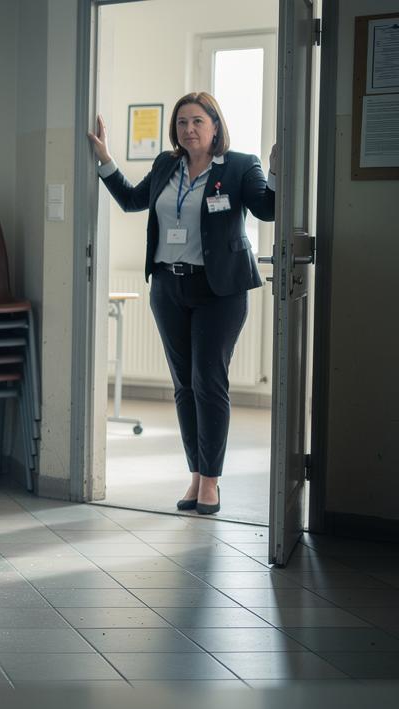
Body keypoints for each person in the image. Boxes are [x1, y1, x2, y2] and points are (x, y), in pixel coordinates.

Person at [88, 91, 276, 516]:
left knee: (209, 381)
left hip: (218, 291)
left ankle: (211, 481)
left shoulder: (240, 166)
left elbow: (268, 210)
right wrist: (105, 159)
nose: (188, 129)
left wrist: (278, 170)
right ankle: (195, 474)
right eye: (181, 123)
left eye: (197, 121)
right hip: (168, 288)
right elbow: (132, 200)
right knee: (184, 385)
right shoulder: (165, 165)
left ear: (215, 126)